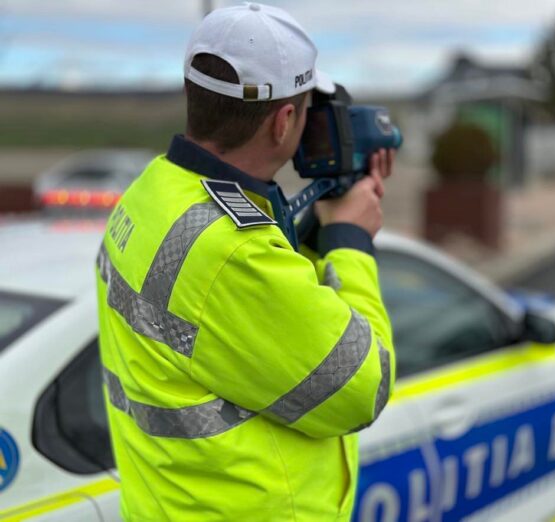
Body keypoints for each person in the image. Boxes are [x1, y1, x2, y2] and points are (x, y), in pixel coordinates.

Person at [96, 3, 396, 521]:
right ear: (284, 122)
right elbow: (361, 386)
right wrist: (350, 240)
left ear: (194, 95)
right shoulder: (233, 252)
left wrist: (318, 227)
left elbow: (240, 314)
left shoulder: (154, 193)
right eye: (306, 109)